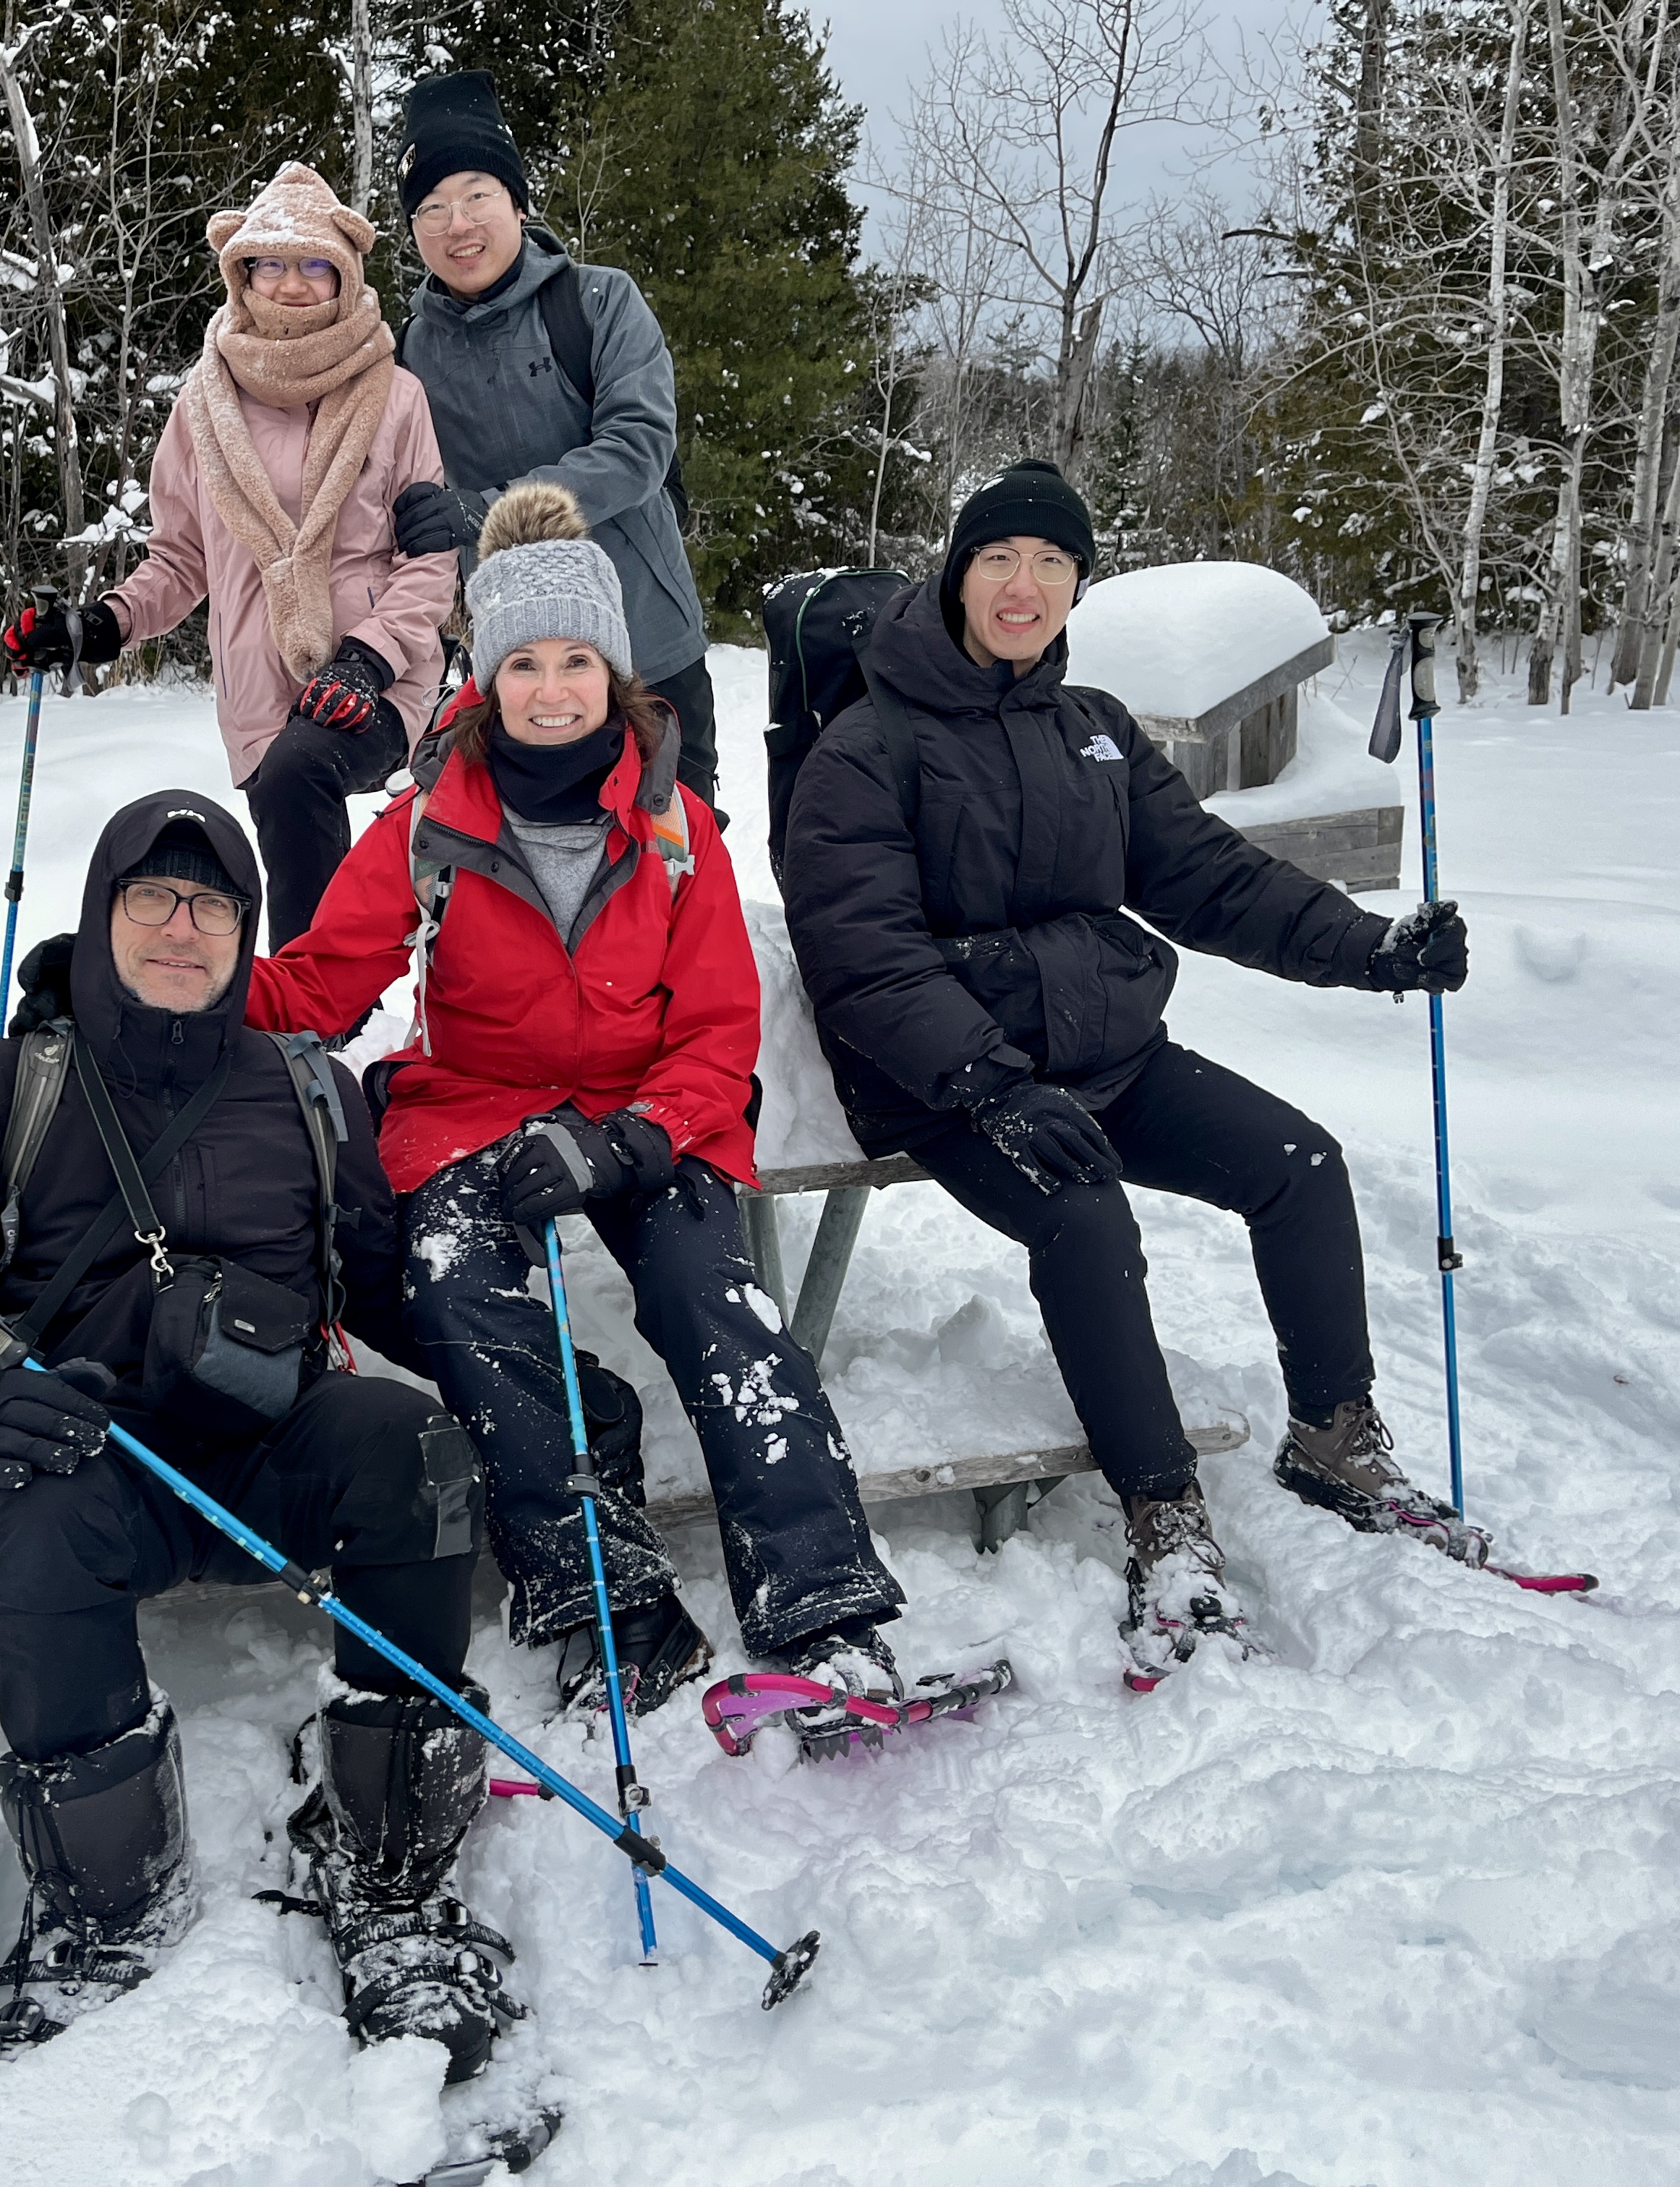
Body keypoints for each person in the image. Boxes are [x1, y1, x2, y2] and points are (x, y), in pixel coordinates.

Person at [0, 793, 521, 2080]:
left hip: (276, 1436)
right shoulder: (0, 1088)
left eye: (211, 902)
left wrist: (525, 1368)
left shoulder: (309, 1088)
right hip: (93, 1448)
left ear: (246, 930)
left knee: (413, 1451)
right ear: (100, 914)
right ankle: (107, 1900)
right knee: (24, 1542)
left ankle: (389, 1871)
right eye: (151, 894)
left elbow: (381, 1287)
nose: (180, 925)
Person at [780, 457, 1488, 1689]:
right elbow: (865, 957)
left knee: (1298, 1163)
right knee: (1084, 1218)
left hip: (1105, 1051)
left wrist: (1370, 949)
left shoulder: (1091, 728)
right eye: (1000, 557)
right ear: (956, 573)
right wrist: (992, 1083)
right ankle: (1163, 1517)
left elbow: (1211, 878)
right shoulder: (867, 746)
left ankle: (1334, 1436)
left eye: (1053, 562)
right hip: (950, 1080)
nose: (1025, 583)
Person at [246, 482, 904, 1728]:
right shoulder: (426, 825)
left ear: (615, 670)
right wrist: (166, 987)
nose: (552, 688)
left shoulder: (675, 830)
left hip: (648, 1112)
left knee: (718, 1303)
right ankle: (601, 1591)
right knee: (454, 1285)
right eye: (525, 662)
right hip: (472, 1105)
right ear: (487, 677)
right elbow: (322, 982)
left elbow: (718, 1030)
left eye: (578, 661)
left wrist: (636, 1137)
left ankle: (821, 1595)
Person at [5, 163, 454, 948]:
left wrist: (368, 661)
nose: (290, 285)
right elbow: (182, 558)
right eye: (270, 265)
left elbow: (430, 561)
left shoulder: (396, 395)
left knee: (298, 773)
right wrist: (103, 626)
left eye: (315, 266)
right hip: (258, 682)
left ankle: (314, 1011)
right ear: (240, 275)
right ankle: (298, 998)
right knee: (288, 818)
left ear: (344, 277)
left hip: (377, 675)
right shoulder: (203, 404)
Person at [384, 71, 725, 816]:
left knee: (677, 857)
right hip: (516, 671)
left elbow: (637, 449)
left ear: (517, 201)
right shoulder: (409, 354)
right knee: (534, 880)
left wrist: (484, 514)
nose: (458, 224)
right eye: (432, 208)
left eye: (476, 194)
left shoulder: (598, 302)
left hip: (648, 647)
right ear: (413, 232)